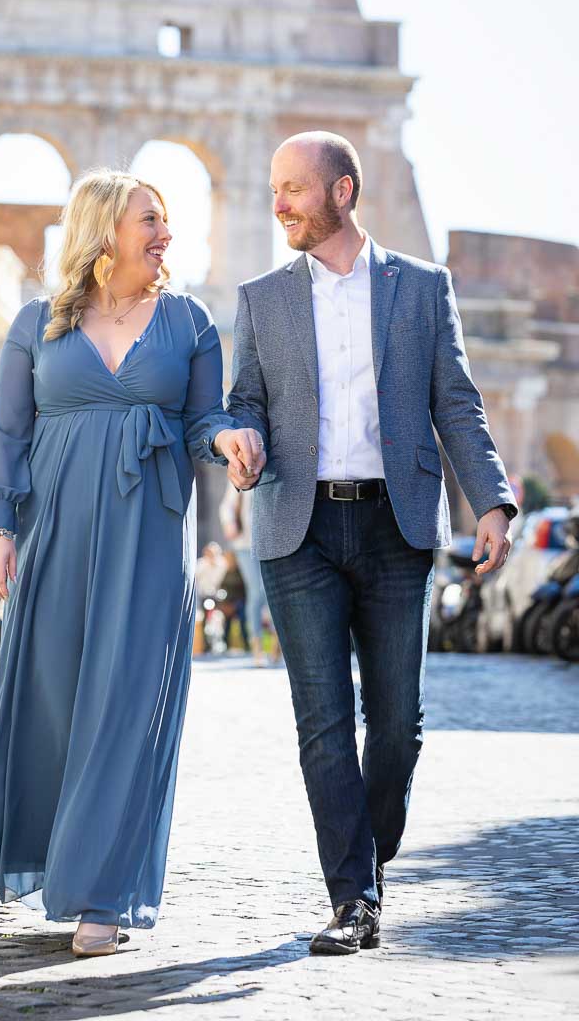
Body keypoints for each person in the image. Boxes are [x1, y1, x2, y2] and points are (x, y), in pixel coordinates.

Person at [225, 131, 517, 955]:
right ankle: (352, 897)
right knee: (323, 722)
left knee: (398, 728)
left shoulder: (422, 288)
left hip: (398, 525)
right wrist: (238, 438)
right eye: (273, 188)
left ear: (343, 192)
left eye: (293, 188)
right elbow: (242, 398)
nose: (277, 203)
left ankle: (368, 849)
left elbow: (455, 401)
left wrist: (490, 501)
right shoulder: (262, 297)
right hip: (298, 526)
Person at [0, 169, 263, 958]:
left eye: (165, 221)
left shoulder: (190, 322)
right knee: (57, 701)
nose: (166, 234)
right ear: (104, 231)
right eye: (151, 220)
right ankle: (52, 859)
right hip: (55, 528)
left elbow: (203, 419)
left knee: (129, 708)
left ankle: (101, 898)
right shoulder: (38, 322)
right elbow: (6, 432)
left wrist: (229, 438)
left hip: (150, 528)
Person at [219, 481, 277, 665]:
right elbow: (226, 506)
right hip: (245, 545)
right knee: (256, 592)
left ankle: (278, 643)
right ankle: (257, 647)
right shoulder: (242, 468)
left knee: (271, 593)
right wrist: (229, 525)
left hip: (270, 543)